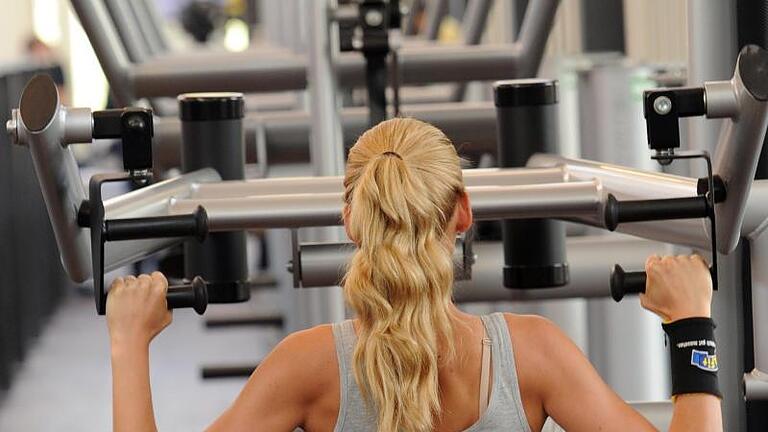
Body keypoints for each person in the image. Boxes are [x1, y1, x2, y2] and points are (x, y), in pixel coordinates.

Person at [107, 118, 722, 432]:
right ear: (463, 212)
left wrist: (129, 343)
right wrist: (692, 323)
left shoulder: (306, 367)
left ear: (350, 221)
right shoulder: (533, 355)